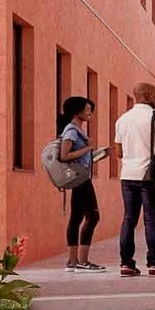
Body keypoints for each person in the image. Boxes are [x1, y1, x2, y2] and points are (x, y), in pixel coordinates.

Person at [114, 79, 155, 276]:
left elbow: (119, 152)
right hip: (149, 178)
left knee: (129, 220)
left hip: (127, 176)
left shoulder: (122, 120)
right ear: (147, 96)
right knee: (151, 220)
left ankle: (126, 264)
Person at [48, 95, 112, 269]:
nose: (90, 113)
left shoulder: (77, 131)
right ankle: (83, 261)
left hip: (80, 177)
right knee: (93, 217)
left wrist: (99, 153)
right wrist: (88, 147)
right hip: (81, 180)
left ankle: (72, 261)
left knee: (76, 218)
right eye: (87, 109)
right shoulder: (71, 131)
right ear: (77, 112)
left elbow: (81, 159)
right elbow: (64, 156)